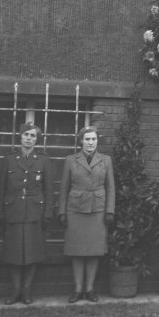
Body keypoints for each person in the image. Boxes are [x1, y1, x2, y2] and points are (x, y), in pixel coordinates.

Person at [0, 122, 54, 304]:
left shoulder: (43, 160)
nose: (29, 139)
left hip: (34, 212)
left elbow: (49, 189)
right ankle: (15, 291)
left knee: (32, 253)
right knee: (13, 253)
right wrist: (0, 211)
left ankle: (27, 290)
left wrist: (47, 214)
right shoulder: (9, 159)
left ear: (37, 140)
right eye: (26, 135)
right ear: (20, 137)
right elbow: (1, 187)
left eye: (33, 136)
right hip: (13, 211)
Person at [58, 126, 115, 303]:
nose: (90, 143)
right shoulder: (70, 160)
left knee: (93, 251)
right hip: (75, 209)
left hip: (97, 209)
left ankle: (89, 289)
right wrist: (62, 211)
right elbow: (64, 188)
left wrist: (109, 210)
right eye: (87, 139)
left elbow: (110, 187)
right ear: (81, 141)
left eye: (94, 139)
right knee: (76, 250)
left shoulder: (106, 160)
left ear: (97, 141)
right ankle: (77, 290)